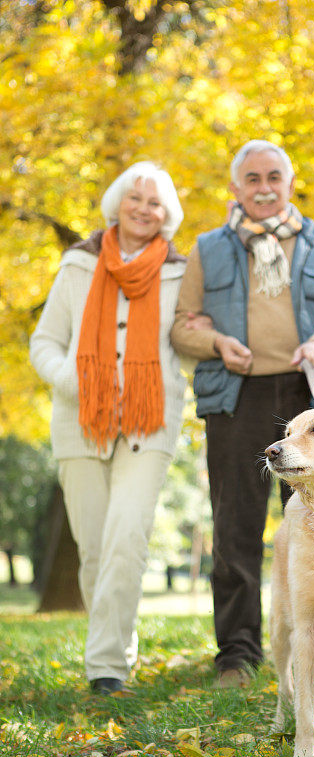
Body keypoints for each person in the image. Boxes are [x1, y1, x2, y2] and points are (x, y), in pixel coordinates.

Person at [170, 140, 314, 688]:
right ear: (235, 189)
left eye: (273, 177)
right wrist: (217, 344)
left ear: (290, 183)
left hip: (310, 393)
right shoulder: (210, 248)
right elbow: (184, 322)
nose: (263, 187)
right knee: (236, 526)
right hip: (237, 396)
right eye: (251, 179)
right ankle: (237, 653)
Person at [30, 162, 200, 695]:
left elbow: (191, 346)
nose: (144, 208)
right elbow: (45, 343)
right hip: (79, 421)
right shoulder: (78, 264)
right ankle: (112, 645)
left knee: (127, 537)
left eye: (156, 202)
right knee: (96, 550)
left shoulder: (180, 271)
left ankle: (106, 667)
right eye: (136, 198)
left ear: (167, 214)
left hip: (149, 424)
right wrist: (72, 379)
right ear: (117, 202)